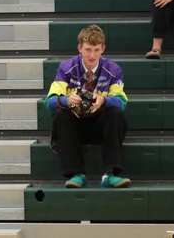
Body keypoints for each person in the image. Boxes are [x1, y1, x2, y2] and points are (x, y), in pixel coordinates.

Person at [45, 24, 130, 189]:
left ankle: (109, 174)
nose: (92, 55)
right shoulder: (66, 68)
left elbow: (122, 101)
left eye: (96, 50)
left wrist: (103, 101)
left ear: (103, 49)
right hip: (75, 126)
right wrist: (68, 100)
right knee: (60, 115)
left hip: (100, 126)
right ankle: (76, 174)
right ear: (80, 48)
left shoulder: (113, 69)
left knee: (116, 114)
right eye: (88, 49)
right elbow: (50, 101)